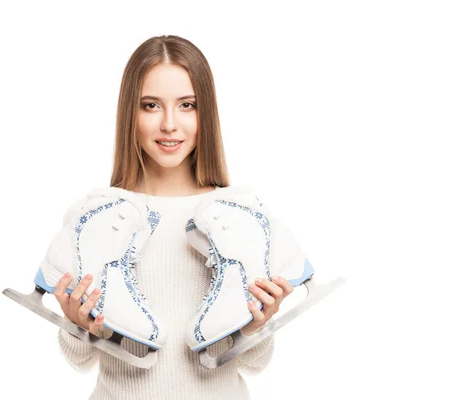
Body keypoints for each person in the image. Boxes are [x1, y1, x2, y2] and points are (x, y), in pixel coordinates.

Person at [52, 34, 296, 400]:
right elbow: (80, 360)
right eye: (150, 105)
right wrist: (75, 322)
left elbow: (255, 364)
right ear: (129, 113)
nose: (169, 124)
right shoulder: (95, 217)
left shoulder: (240, 219)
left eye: (187, 105)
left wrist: (256, 324)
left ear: (206, 113)